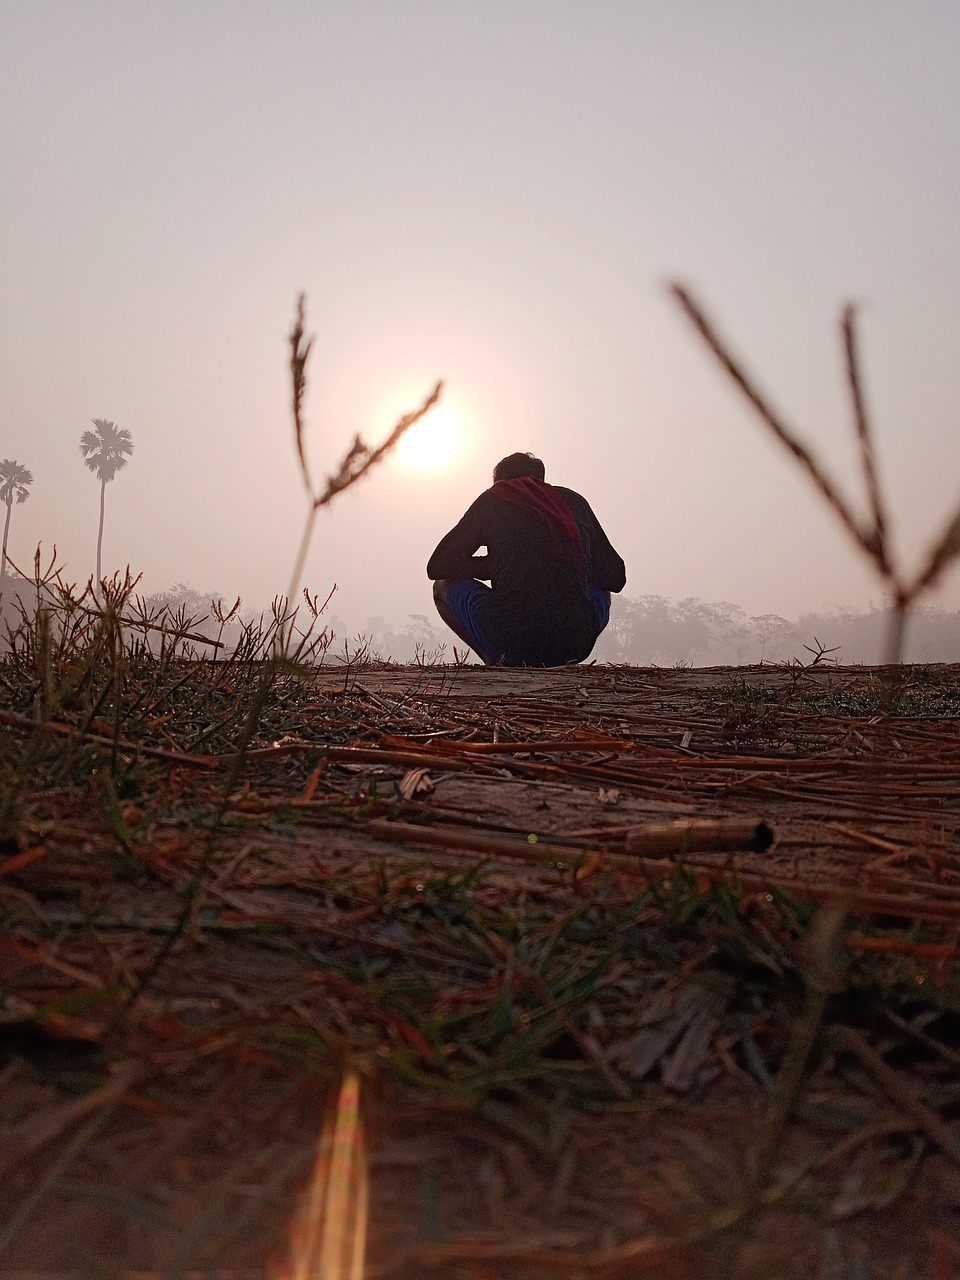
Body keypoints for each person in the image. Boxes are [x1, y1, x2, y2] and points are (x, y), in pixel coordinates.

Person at [427, 452, 626, 666]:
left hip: (510, 639)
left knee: (442, 586)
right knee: (602, 590)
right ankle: (559, 658)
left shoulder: (495, 498)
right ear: (542, 478)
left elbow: (438, 566)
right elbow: (615, 577)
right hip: (575, 644)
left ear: (500, 481)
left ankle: (494, 659)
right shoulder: (574, 502)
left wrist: (497, 565)